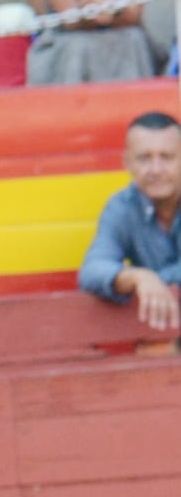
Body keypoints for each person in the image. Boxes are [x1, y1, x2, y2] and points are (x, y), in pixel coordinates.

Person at [78, 111, 181, 336]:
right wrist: (138, 277)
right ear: (127, 164)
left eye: (166, 157)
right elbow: (92, 270)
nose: (155, 170)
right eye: (144, 158)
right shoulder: (122, 207)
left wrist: (155, 279)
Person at [26, 0, 155, 86]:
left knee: (133, 38)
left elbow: (132, 16)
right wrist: (88, 7)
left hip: (122, 33)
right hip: (66, 40)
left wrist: (109, 11)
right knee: (78, 45)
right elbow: (70, 20)